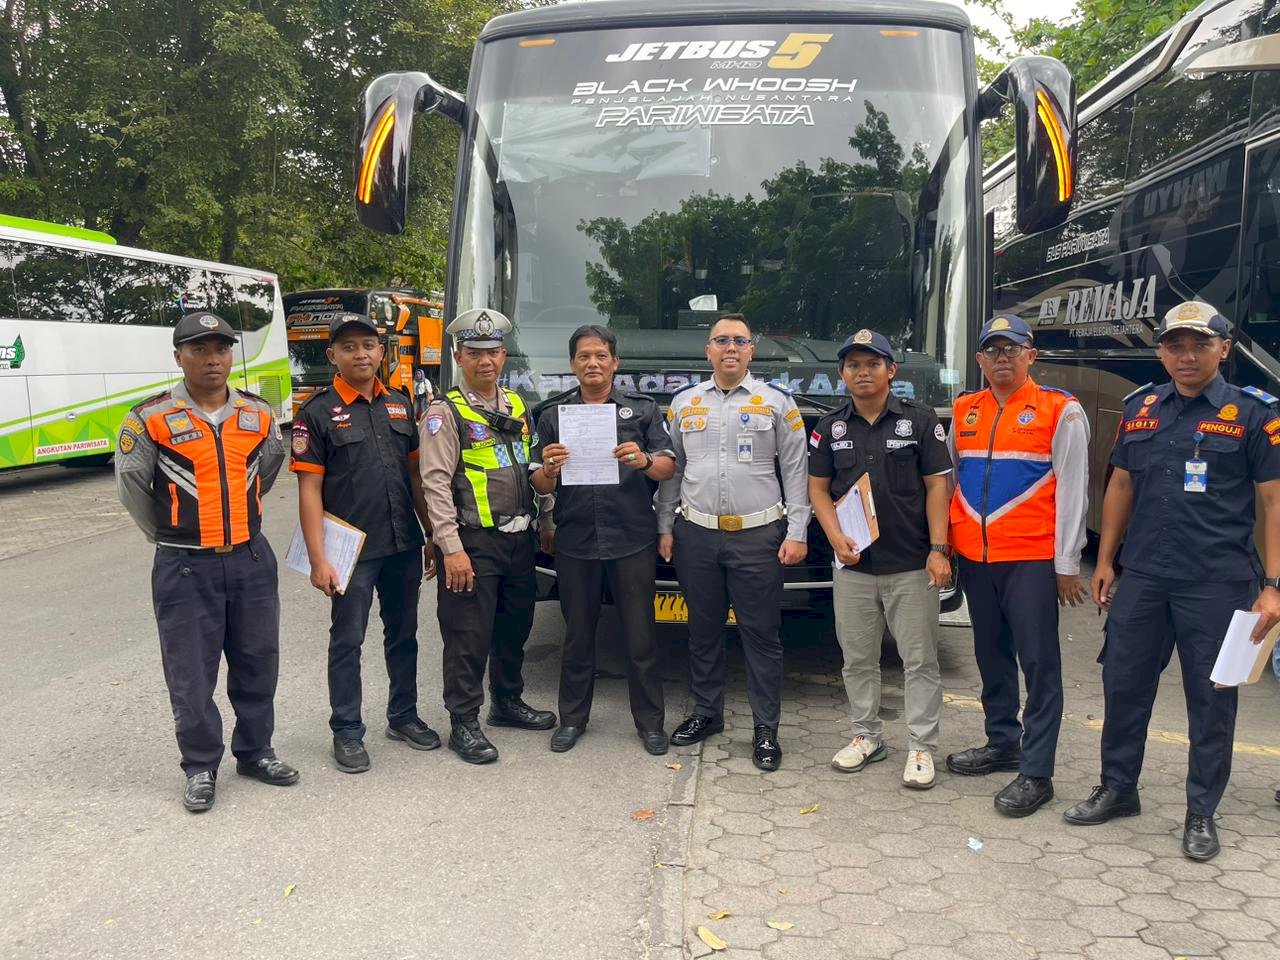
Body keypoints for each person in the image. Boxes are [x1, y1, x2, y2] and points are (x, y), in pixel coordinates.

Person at [1062, 300, 1280, 861]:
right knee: (1124, 684)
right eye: (1175, 345)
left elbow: (1273, 501)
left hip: (1218, 582)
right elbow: (1120, 485)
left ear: (1223, 350)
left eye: (1199, 345)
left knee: (1212, 699)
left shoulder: (1254, 414)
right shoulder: (1141, 407)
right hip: (1144, 577)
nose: (1186, 355)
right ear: (1161, 351)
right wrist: (1105, 559)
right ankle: (1118, 788)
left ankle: (1201, 811)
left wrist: (1274, 584)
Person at [115, 310, 298, 812]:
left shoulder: (258, 413)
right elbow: (132, 488)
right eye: (199, 350)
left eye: (221, 349)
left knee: (258, 661)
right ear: (179, 357)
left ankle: (256, 752)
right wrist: (172, 535)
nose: (212, 359)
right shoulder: (149, 418)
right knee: (191, 673)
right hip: (184, 566)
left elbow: (268, 468)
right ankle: (199, 766)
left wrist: (239, 516)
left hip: (250, 559)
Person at [945, 314, 1089, 817]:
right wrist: (947, 545)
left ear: (1032, 355)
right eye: (993, 350)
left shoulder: (1061, 410)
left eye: (1012, 348)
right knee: (991, 655)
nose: (1002, 357)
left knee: (1039, 665)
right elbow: (952, 481)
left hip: (1031, 559)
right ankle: (1002, 742)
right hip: (976, 558)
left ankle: (1037, 772)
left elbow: (1074, 491)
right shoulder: (964, 409)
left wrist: (1067, 562)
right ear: (980, 359)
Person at [656, 313, 810, 772]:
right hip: (696, 535)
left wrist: (798, 531)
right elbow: (672, 470)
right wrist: (664, 526)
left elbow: (796, 471)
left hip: (758, 536)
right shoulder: (683, 403)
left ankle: (765, 728)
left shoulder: (777, 402)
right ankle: (707, 713)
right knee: (703, 632)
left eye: (739, 341)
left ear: (751, 351)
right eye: (721, 340)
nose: (730, 348)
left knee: (761, 635)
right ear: (708, 350)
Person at [290, 312, 438, 774]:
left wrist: (432, 533)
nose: (361, 354)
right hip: (349, 551)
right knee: (347, 640)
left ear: (381, 352)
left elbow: (415, 476)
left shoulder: (400, 404)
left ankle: (403, 716)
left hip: (402, 543)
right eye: (349, 347)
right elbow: (310, 490)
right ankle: (347, 731)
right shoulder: (316, 413)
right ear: (332, 355)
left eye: (368, 345)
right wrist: (318, 559)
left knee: (404, 634)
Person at [808, 329, 952, 789]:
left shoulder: (920, 421)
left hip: (911, 564)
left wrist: (939, 549)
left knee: (919, 660)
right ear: (842, 374)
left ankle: (921, 746)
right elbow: (817, 490)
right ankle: (866, 736)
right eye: (853, 365)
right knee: (857, 659)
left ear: (891, 370)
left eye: (872, 363)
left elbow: (938, 486)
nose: (863, 372)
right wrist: (835, 538)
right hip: (853, 567)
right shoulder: (830, 427)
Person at [530, 325, 676, 754]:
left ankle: (650, 723)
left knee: (640, 636)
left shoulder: (642, 411)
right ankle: (573, 719)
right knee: (577, 635)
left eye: (600, 355)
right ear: (572, 364)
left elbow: (668, 466)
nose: (592, 363)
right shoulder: (553, 415)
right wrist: (549, 470)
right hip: (576, 539)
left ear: (615, 362)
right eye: (584, 356)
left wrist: (644, 460)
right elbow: (538, 482)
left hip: (632, 538)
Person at [419, 308, 556, 763]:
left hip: (520, 538)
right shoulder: (444, 413)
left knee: (515, 626)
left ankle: (507, 702)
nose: (485, 361)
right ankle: (463, 721)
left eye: (493, 352)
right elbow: (435, 485)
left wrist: (547, 517)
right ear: (459, 357)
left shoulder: (516, 405)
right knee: (467, 636)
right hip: (473, 542)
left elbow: (531, 468)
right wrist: (451, 549)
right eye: (475, 352)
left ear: (503, 356)